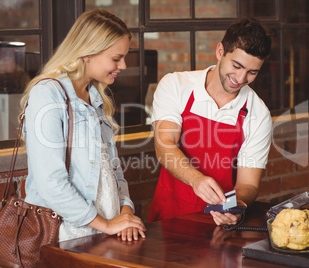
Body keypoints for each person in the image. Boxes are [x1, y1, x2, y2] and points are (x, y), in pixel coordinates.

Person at [20, 9, 146, 242]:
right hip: (65, 235)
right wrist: (106, 224)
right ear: (87, 53)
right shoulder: (47, 95)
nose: (124, 65)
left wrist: (125, 211)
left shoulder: (96, 98)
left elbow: (113, 169)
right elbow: (50, 182)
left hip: (103, 233)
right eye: (116, 58)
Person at [148, 17, 272, 226]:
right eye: (237, 65)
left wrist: (237, 207)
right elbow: (164, 146)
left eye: (252, 72)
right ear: (220, 51)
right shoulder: (176, 85)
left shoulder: (258, 114)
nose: (241, 78)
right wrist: (196, 180)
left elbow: (248, 183)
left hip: (217, 225)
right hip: (167, 218)